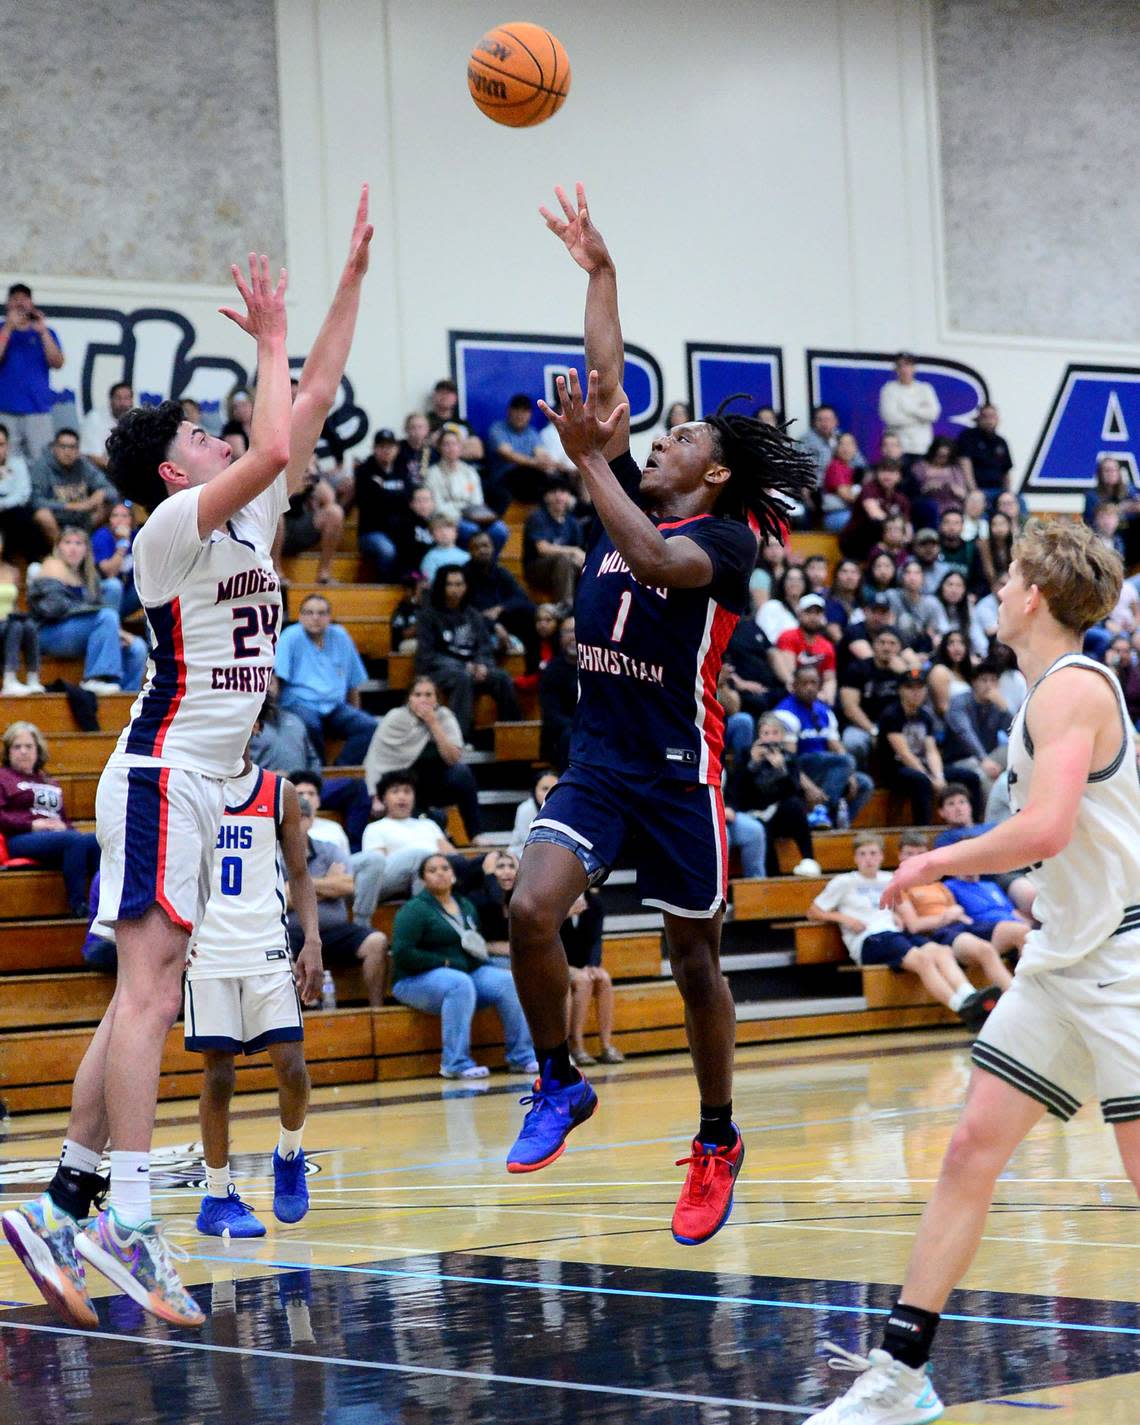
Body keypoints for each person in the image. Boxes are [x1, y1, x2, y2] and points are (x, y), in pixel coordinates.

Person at [0, 189, 371, 1331]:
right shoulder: (169, 534)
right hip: (164, 773)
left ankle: (63, 1199)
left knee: (137, 1004)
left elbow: (304, 407)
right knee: (154, 996)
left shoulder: (251, 525)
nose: (221, 440)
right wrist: (262, 340)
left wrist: (345, 281)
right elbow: (269, 434)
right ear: (172, 474)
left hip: (199, 782)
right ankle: (129, 1215)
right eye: (197, 439)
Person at [506, 184, 817, 1244]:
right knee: (528, 910)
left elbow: (649, 555)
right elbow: (604, 380)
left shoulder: (722, 545)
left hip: (684, 775)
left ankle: (718, 1135)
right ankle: (556, 1079)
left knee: (694, 968)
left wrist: (587, 456)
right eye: (662, 430)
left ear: (713, 472)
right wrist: (600, 269)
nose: (660, 439)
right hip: (600, 763)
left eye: (677, 436)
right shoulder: (624, 480)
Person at [804, 519, 1136, 1424]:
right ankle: (901, 1374)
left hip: (1123, 963)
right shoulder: (1044, 692)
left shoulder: (1070, 688)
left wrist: (932, 864)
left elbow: (1048, 827)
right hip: (1065, 956)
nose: (995, 592)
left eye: (1006, 580)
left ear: (1032, 595)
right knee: (966, 1153)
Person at [184, 762, 323, 1238]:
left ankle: (289, 1154)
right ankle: (218, 1196)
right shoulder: (188, 784)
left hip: (265, 945)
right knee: (219, 1075)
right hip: (207, 949)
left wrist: (313, 941)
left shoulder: (277, 790)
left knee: (293, 1068)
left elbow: (300, 874)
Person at [807, 832, 996, 1027]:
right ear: (855, 858)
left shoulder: (889, 879)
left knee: (942, 951)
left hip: (894, 933)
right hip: (870, 939)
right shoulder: (844, 882)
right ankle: (962, 1008)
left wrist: (895, 915)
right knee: (923, 959)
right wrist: (843, 918)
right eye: (862, 854)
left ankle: (970, 995)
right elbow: (813, 911)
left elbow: (894, 907)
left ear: (881, 856)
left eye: (872, 853)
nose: (868, 859)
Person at [390, 853, 538, 1079]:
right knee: (459, 984)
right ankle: (455, 1063)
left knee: (508, 981)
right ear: (423, 879)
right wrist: (445, 962)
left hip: (463, 972)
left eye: (445, 868)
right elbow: (402, 954)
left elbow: (472, 943)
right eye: (432, 870)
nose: (440, 873)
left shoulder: (465, 904)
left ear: (453, 875)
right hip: (414, 980)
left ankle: (522, 1056)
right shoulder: (414, 910)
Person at [288, 793, 388, 1004]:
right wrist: (327, 883)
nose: (294, 823)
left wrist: (301, 887)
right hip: (293, 932)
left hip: (335, 932)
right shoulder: (273, 852)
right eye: (289, 818)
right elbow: (283, 897)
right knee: (280, 952)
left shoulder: (328, 849)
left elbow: (347, 885)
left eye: (300, 817)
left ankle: (377, 1012)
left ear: (310, 819)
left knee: (376, 942)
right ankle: (301, 1014)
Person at [29, 526, 148, 694]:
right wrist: (98, 617)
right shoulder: (52, 566)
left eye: (78, 543)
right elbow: (53, 609)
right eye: (67, 542)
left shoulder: (88, 576)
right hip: (48, 631)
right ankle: (96, 678)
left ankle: (124, 703)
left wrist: (113, 630)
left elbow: (96, 612)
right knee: (107, 616)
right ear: (59, 547)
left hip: (81, 632)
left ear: (86, 549)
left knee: (137, 647)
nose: (73, 548)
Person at [0, 721, 100, 917]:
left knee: (94, 840)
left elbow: (64, 818)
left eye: (29, 746)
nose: (23, 751)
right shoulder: (3, 777)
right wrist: (32, 825)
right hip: (20, 838)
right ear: (8, 752)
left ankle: (102, 906)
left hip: (57, 838)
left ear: (38, 750)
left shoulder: (49, 780)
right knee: (73, 840)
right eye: (17, 747)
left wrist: (65, 826)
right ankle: (78, 905)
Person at [363, 676, 482, 841]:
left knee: (462, 773)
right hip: (405, 787)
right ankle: (437, 822)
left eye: (428, 695)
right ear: (409, 699)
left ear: (437, 699)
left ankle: (475, 834)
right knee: (431, 825)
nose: (423, 700)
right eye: (417, 695)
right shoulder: (395, 718)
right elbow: (376, 759)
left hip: (436, 783)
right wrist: (375, 795)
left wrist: (433, 724)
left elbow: (453, 758)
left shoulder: (444, 717)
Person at [414, 566, 521, 738]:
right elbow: (428, 655)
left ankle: (513, 734)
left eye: (459, 584)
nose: (455, 590)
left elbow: (484, 646)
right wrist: (464, 666)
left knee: (502, 678)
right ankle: (458, 738)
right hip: (439, 671)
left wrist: (482, 665)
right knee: (462, 678)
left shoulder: (473, 614)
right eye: (450, 585)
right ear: (442, 586)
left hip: (472, 668)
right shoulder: (428, 616)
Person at [274, 593, 377, 764]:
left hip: (335, 707)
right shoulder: (290, 636)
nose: (315, 618)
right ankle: (318, 774)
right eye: (309, 613)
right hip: (299, 704)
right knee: (311, 725)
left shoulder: (341, 636)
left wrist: (356, 711)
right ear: (300, 617)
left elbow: (353, 682)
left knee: (368, 726)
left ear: (329, 617)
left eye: (321, 613)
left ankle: (340, 771)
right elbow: (276, 678)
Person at [878, 669, 982, 824]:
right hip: (895, 769)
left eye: (920, 688)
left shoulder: (925, 716)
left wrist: (938, 776)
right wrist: (930, 777)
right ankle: (923, 829)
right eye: (910, 688)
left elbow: (931, 751)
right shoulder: (892, 715)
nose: (916, 692)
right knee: (921, 781)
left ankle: (973, 823)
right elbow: (905, 754)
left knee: (970, 777)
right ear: (900, 690)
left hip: (923, 767)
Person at [774, 665, 873, 828]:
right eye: (804, 683)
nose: (810, 688)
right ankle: (821, 811)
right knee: (843, 761)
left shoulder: (824, 711)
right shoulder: (785, 713)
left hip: (826, 768)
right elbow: (788, 760)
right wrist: (809, 787)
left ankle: (832, 825)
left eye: (813, 683)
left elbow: (837, 746)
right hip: (800, 770)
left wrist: (850, 774)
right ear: (794, 686)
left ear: (820, 685)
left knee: (864, 783)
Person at [726, 714, 819, 876]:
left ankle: (809, 859)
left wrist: (781, 769)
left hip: (778, 813)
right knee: (761, 831)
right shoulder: (746, 754)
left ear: (782, 736)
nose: (770, 738)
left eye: (775, 733)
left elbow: (795, 791)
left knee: (795, 806)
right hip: (752, 812)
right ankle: (772, 879)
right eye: (765, 733)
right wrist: (752, 765)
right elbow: (737, 790)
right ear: (759, 736)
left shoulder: (788, 757)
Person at [0, 283, 64, 461]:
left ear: (32, 303)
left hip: (37, 410)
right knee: (6, 463)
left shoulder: (46, 332)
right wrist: (8, 328)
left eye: (24, 299)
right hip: (5, 410)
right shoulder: (2, 329)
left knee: (42, 461)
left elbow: (57, 363)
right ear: (8, 304)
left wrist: (43, 332)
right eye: (15, 299)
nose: (20, 304)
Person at [563, 888, 624, 1066]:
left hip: (582, 964)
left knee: (603, 978)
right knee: (583, 981)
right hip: (557, 962)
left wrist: (593, 964)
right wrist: (566, 914)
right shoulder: (555, 901)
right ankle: (576, 1045)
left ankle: (606, 1045)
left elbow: (597, 939)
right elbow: (546, 933)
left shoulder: (594, 902)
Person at [426, 425, 509, 551]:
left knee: (500, 530)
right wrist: (461, 513)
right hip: (448, 519)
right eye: (446, 444)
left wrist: (471, 514)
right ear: (440, 448)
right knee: (472, 531)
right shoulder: (432, 473)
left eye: (454, 444)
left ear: (460, 447)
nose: (451, 448)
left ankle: (490, 564)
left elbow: (477, 502)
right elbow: (438, 506)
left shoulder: (470, 472)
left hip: (472, 516)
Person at [30, 429, 115, 545]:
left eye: (72, 447)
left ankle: (92, 548)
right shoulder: (42, 466)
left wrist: (101, 493)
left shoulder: (82, 464)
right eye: (63, 447)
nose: (68, 452)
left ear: (78, 450)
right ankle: (60, 551)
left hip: (83, 517)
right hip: (57, 518)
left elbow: (111, 489)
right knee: (42, 515)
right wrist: (72, 506)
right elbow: (35, 501)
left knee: (109, 505)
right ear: (54, 448)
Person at [838, 625, 905, 766]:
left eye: (892, 644)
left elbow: (915, 703)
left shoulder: (904, 672)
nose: (886, 648)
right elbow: (850, 708)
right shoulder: (857, 668)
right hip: (864, 725)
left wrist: (904, 675)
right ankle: (861, 780)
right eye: (882, 642)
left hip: (897, 726)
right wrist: (874, 731)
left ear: (900, 648)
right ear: (873, 645)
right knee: (853, 742)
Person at [353, 427, 410, 578]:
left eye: (390, 446)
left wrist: (382, 492)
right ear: (374, 448)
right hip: (371, 531)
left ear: (397, 449)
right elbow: (367, 504)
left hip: (399, 528)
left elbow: (408, 499)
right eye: (382, 446)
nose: (386, 450)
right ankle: (387, 585)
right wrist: (395, 496)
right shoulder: (364, 471)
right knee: (387, 551)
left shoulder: (403, 469)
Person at [486, 393, 555, 508]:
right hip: (503, 479)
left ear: (530, 414)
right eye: (517, 410)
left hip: (529, 477)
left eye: (525, 411)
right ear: (509, 411)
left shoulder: (531, 432)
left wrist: (545, 462)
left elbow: (541, 454)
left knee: (553, 481)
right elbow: (508, 455)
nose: (520, 415)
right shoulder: (497, 429)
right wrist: (535, 463)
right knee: (526, 474)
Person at [523, 482, 585, 603]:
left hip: (566, 567)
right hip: (536, 568)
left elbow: (580, 554)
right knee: (564, 560)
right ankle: (565, 607)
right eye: (553, 492)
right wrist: (573, 551)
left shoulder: (572, 522)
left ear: (569, 497)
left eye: (562, 492)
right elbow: (542, 549)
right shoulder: (538, 517)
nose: (558, 496)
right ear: (546, 497)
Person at [776, 592, 838, 704]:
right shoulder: (788, 636)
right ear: (799, 614)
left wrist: (828, 697)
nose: (813, 617)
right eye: (808, 612)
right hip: (792, 692)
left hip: (816, 695)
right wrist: (814, 694)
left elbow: (829, 678)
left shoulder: (827, 645)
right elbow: (790, 673)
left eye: (817, 613)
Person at [877, 352, 941, 460]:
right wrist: (921, 418)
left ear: (914, 368)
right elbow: (890, 418)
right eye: (900, 366)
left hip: (923, 447)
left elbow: (933, 415)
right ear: (896, 369)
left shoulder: (925, 388)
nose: (904, 369)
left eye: (908, 365)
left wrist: (908, 408)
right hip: (898, 449)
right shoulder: (889, 389)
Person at [0, 533, 42, 694]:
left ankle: (33, 677)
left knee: (29, 625)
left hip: (8, 621)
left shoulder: (13, 571)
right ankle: (9, 679)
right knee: (16, 626)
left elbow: (15, 603)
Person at [539, 614, 579, 769]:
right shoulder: (552, 671)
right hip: (561, 731)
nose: (573, 637)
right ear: (560, 638)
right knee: (569, 736)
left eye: (577, 631)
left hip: (591, 726)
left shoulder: (595, 668)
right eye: (568, 632)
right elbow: (551, 713)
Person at [908, 436, 972, 527]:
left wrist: (953, 488)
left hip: (952, 506)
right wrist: (927, 488)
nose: (942, 459)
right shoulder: (920, 467)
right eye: (939, 455)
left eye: (945, 456)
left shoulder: (954, 469)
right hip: (928, 506)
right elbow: (912, 492)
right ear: (933, 452)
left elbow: (964, 494)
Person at [91, 500, 140, 618]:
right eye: (115, 515)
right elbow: (110, 573)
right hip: (105, 596)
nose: (120, 520)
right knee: (114, 585)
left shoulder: (137, 535)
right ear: (109, 520)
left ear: (131, 520)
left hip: (128, 594)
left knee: (151, 586)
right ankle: (111, 625)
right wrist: (123, 544)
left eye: (124, 516)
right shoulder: (102, 536)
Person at [955, 402, 1012, 503]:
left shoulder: (1001, 442)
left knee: (1018, 500)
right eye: (985, 416)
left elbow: (1006, 471)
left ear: (998, 419)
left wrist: (1008, 492)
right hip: (978, 489)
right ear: (978, 419)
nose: (989, 420)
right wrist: (973, 490)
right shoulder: (968, 437)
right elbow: (965, 465)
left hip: (998, 490)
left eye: (992, 416)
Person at [0, 421, 41, 555]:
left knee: (23, 516)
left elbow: (23, 494)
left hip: (14, 511)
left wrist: (3, 504)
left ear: (8, 445)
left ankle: (32, 566)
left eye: (1, 445)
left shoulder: (18, 463)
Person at [81, 382, 135, 471]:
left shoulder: (136, 419)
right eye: (118, 398)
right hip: (101, 471)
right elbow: (92, 456)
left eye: (127, 398)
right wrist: (120, 471)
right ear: (110, 400)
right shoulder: (94, 418)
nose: (122, 403)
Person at [510, 768, 559, 859]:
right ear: (534, 790)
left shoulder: (566, 809)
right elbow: (527, 844)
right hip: (524, 856)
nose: (550, 793)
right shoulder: (525, 809)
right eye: (545, 789)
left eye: (554, 789)